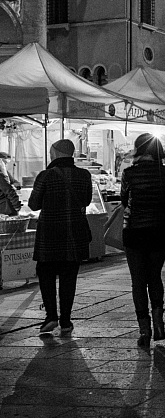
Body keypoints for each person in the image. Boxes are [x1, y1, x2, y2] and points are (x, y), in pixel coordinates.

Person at [120, 133, 165, 346]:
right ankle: (159, 322)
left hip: (134, 231)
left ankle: (144, 329)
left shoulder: (129, 173)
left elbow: (124, 201)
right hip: (158, 229)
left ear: (138, 149)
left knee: (138, 281)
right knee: (154, 276)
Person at [29, 140, 93, 337]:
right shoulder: (84, 175)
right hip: (73, 234)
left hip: (49, 234)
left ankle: (51, 317)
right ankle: (66, 320)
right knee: (69, 276)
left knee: (46, 273)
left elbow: (33, 204)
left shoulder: (45, 176)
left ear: (55, 153)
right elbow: (87, 201)